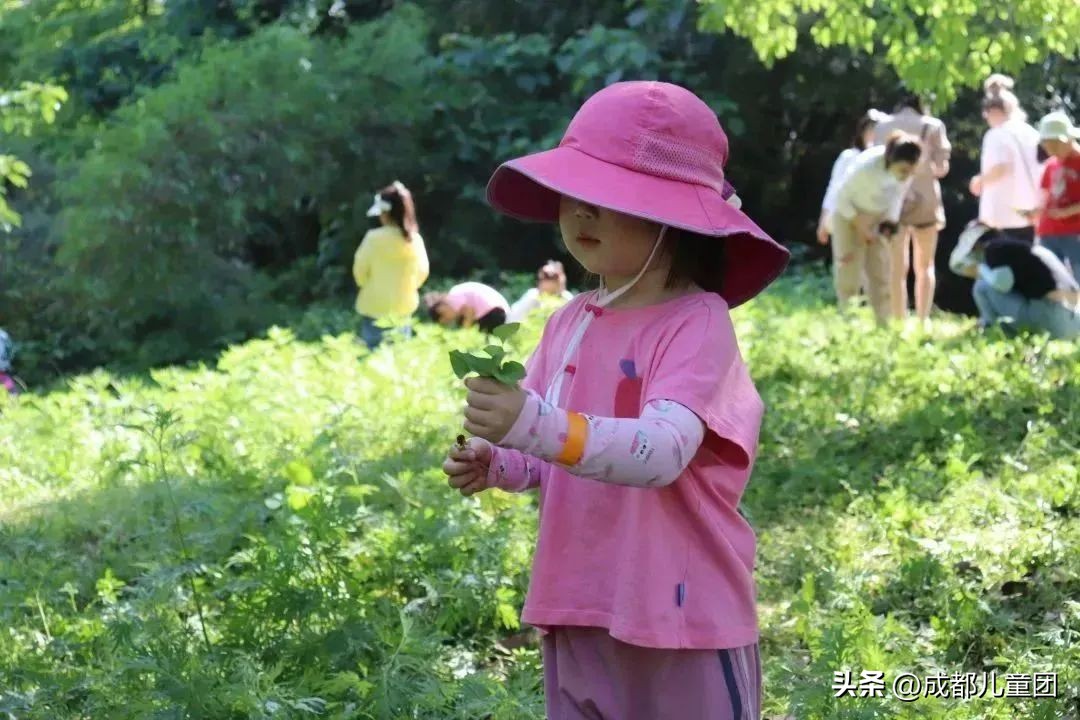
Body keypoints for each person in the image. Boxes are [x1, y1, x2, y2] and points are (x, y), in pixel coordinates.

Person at [442, 81, 789, 720]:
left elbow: (661, 451)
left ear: (673, 217)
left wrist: (532, 423)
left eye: (607, 197)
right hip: (579, 600)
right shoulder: (567, 321)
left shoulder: (697, 322)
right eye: (573, 193)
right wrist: (500, 459)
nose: (581, 213)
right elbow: (551, 450)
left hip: (681, 615)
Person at [873, 93, 952, 322]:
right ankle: (922, 319)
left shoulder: (882, 126)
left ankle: (899, 318)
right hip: (926, 200)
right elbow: (942, 169)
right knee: (925, 265)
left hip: (893, 201)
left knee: (896, 267)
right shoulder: (933, 126)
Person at [831, 132, 923, 324]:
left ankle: (884, 323)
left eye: (910, 172)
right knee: (849, 271)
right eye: (903, 170)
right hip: (848, 214)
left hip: (877, 217)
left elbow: (897, 198)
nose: (906, 176)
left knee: (880, 272)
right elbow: (840, 197)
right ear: (891, 159)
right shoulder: (866, 166)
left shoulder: (905, 173)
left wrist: (889, 223)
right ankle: (848, 321)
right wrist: (861, 226)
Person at [353, 181, 429, 350]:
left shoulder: (373, 238)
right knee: (399, 355)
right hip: (403, 307)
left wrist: (367, 285)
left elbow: (360, 271)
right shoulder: (414, 240)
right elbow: (422, 272)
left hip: (374, 306)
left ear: (386, 213)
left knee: (373, 356)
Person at [969, 93, 1042, 244]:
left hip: (1005, 214)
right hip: (1033, 211)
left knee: (1006, 254)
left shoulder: (996, 134)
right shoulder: (1032, 133)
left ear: (994, 111)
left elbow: (1001, 168)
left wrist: (979, 181)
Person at [972, 236, 1079, 339]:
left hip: (1053, 322)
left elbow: (1002, 283)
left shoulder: (994, 250)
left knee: (981, 286)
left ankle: (996, 332)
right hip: (1075, 322)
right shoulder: (1032, 249)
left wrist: (981, 269)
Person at [817, 110, 885, 246]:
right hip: (845, 218)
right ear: (862, 132)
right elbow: (834, 189)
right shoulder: (849, 156)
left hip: (872, 223)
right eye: (870, 129)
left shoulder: (886, 164)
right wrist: (823, 220)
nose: (874, 134)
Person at [1032, 111, 1080, 274]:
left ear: (1069, 139)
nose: (1051, 150)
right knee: (1048, 278)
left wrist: (1067, 212)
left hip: (1075, 232)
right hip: (1048, 232)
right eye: (1047, 145)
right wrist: (1035, 212)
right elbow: (1045, 196)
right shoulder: (1051, 164)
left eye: (1054, 144)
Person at [425, 282, 511, 333]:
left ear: (441, 309)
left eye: (446, 319)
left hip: (495, 312)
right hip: (494, 312)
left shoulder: (453, 297)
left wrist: (465, 334)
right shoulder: (454, 295)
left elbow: (469, 311)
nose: (450, 320)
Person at [506, 260, 575, 323]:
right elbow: (513, 319)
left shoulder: (567, 299)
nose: (548, 280)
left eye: (553, 277)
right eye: (546, 276)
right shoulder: (532, 297)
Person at [0, 329, 21, 396]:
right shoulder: (3, 334)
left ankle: (13, 394)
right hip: (4, 362)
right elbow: (11, 349)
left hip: (2, 361)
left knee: (3, 377)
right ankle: (13, 394)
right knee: (4, 377)